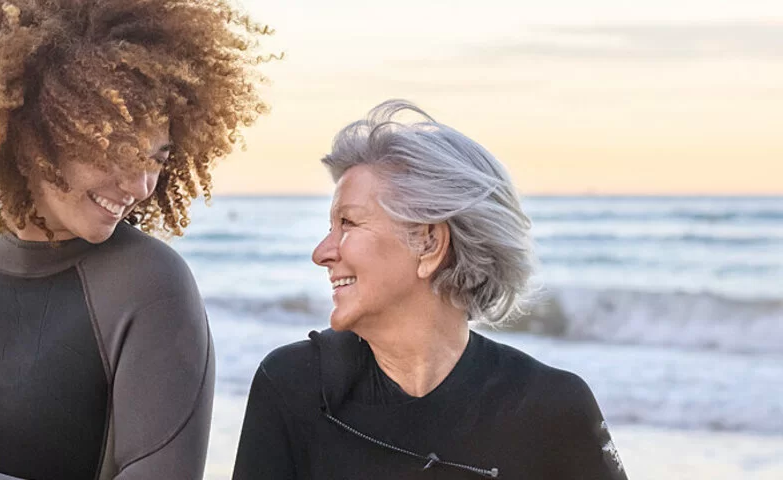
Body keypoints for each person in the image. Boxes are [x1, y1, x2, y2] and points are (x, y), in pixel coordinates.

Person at [0, 1, 271, 479]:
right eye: (117, 150)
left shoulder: (152, 287)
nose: (140, 186)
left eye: (156, 159)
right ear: (34, 127)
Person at [232, 100, 628, 479]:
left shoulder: (553, 407)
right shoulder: (291, 386)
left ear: (428, 243)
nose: (322, 253)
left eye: (348, 224)